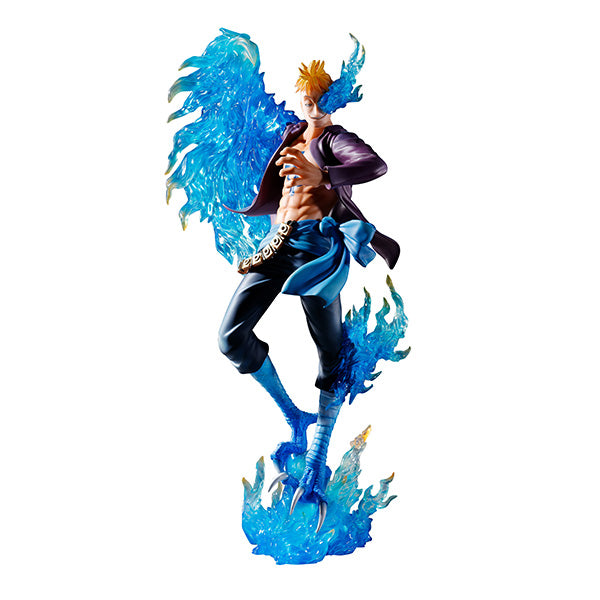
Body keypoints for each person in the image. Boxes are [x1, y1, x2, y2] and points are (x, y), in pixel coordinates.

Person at [218, 59, 399, 530]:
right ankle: (295, 417)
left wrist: (324, 178)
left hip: (318, 249)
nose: (312, 101)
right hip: (277, 244)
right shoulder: (292, 133)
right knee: (231, 338)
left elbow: (374, 165)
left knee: (331, 352)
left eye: (320, 94)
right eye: (307, 93)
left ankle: (318, 457)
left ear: (331, 98)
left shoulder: (335, 140)